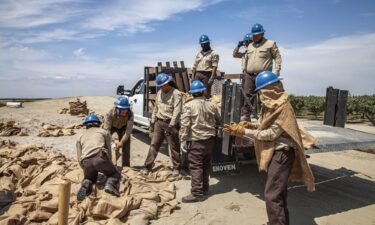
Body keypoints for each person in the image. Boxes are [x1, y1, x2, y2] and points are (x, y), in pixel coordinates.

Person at [223, 71, 315, 225]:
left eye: (263, 91)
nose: (262, 95)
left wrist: (245, 131)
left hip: (282, 154)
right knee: (279, 193)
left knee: (272, 195)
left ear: (273, 88)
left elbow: (271, 133)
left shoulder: (283, 107)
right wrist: (250, 125)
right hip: (277, 153)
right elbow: (267, 125)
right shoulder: (271, 106)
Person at [180, 80, 221, 203]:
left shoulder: (188, 106)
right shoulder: (212, 105)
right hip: (209, 141)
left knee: (196, 167)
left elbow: (185, 124)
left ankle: (197, 193)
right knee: (205, 165)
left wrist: (182, 139)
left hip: (196, 141)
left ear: (192, 93)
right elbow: (219, 118)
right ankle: (205, 188)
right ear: (203, 91)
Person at [143, 73, 182, 176]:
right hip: (159, 123)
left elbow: (177, 111)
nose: (161, 87)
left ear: (168, 83)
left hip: (171, 124)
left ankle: (176, 168)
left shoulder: (176, 93)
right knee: (154, 144)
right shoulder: (159, 92)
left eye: (163, 85)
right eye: (160, 85)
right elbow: (156, 108)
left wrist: (171, 126)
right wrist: (152, 122)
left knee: (174, 147)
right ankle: (147, 167)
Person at [241, 23, 282, 121]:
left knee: (265, 95)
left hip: (264, 76)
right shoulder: (250, 45)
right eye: (253, 35)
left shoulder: (270, 44)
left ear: (262, 34)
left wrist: (276, 71)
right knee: (247, 95)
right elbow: (246, 58)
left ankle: (267, 116)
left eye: (257, 35)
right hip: (249, 75)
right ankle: (246, 115)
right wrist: (244, 70)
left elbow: (277, 57)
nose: (255, 37)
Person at [76, 114, 121, 202]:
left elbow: (79, 156)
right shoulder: (103, 132)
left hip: (86, 161)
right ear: (98, 124)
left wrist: (84, 168)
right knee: (114, 174)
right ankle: (110, 184)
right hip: (100, 158)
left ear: (86, 125)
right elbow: (109, 148)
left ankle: (88, 181)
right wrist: (110, 163)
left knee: (91, 177)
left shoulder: (80, 135)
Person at [103, 96, 133, 167]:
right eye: (122, 110)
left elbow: (128, 131)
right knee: (110, 145)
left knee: (126, 145)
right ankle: (110, 165)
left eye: (126, 109)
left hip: (123, 127)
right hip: (112, 128)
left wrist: (122, 141)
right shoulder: (109, 113)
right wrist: (113, 141)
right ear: (117, 108)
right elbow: (106, 130)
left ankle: (126, 166)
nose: (125, 112)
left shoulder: (130, 114)